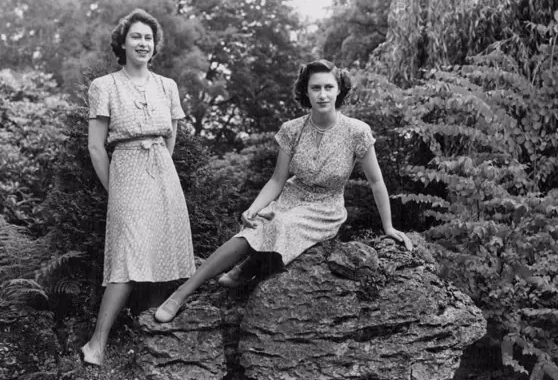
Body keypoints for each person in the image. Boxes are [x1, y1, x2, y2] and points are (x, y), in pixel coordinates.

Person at [155, 59, 412, 323]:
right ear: (305, 92)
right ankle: (181, 293)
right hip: (290, 197)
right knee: (256, 226)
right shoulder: (291, 130)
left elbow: (376, 182)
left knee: (282, 225)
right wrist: (253, 209)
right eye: (315, 88)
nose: (322, 95)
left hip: (325, 208)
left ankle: (248, 266)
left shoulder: (357, 132)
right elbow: (277, 180)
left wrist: (389, 227)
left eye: (328, 87)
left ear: (339, 90)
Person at [81, 9, 195, 364]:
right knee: (128, 259)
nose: (143, 43)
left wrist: (160, 165)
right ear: (123, 42)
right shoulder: (104, 86)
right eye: (136, 37)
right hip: (126, 171)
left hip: (162, 171)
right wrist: (115, 189)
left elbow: (171, 135)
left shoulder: (167, 86)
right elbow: (96, 147)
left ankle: (147, 338)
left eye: (148, 38)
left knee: (162, 252)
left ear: (154, 45)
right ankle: (96, 343)